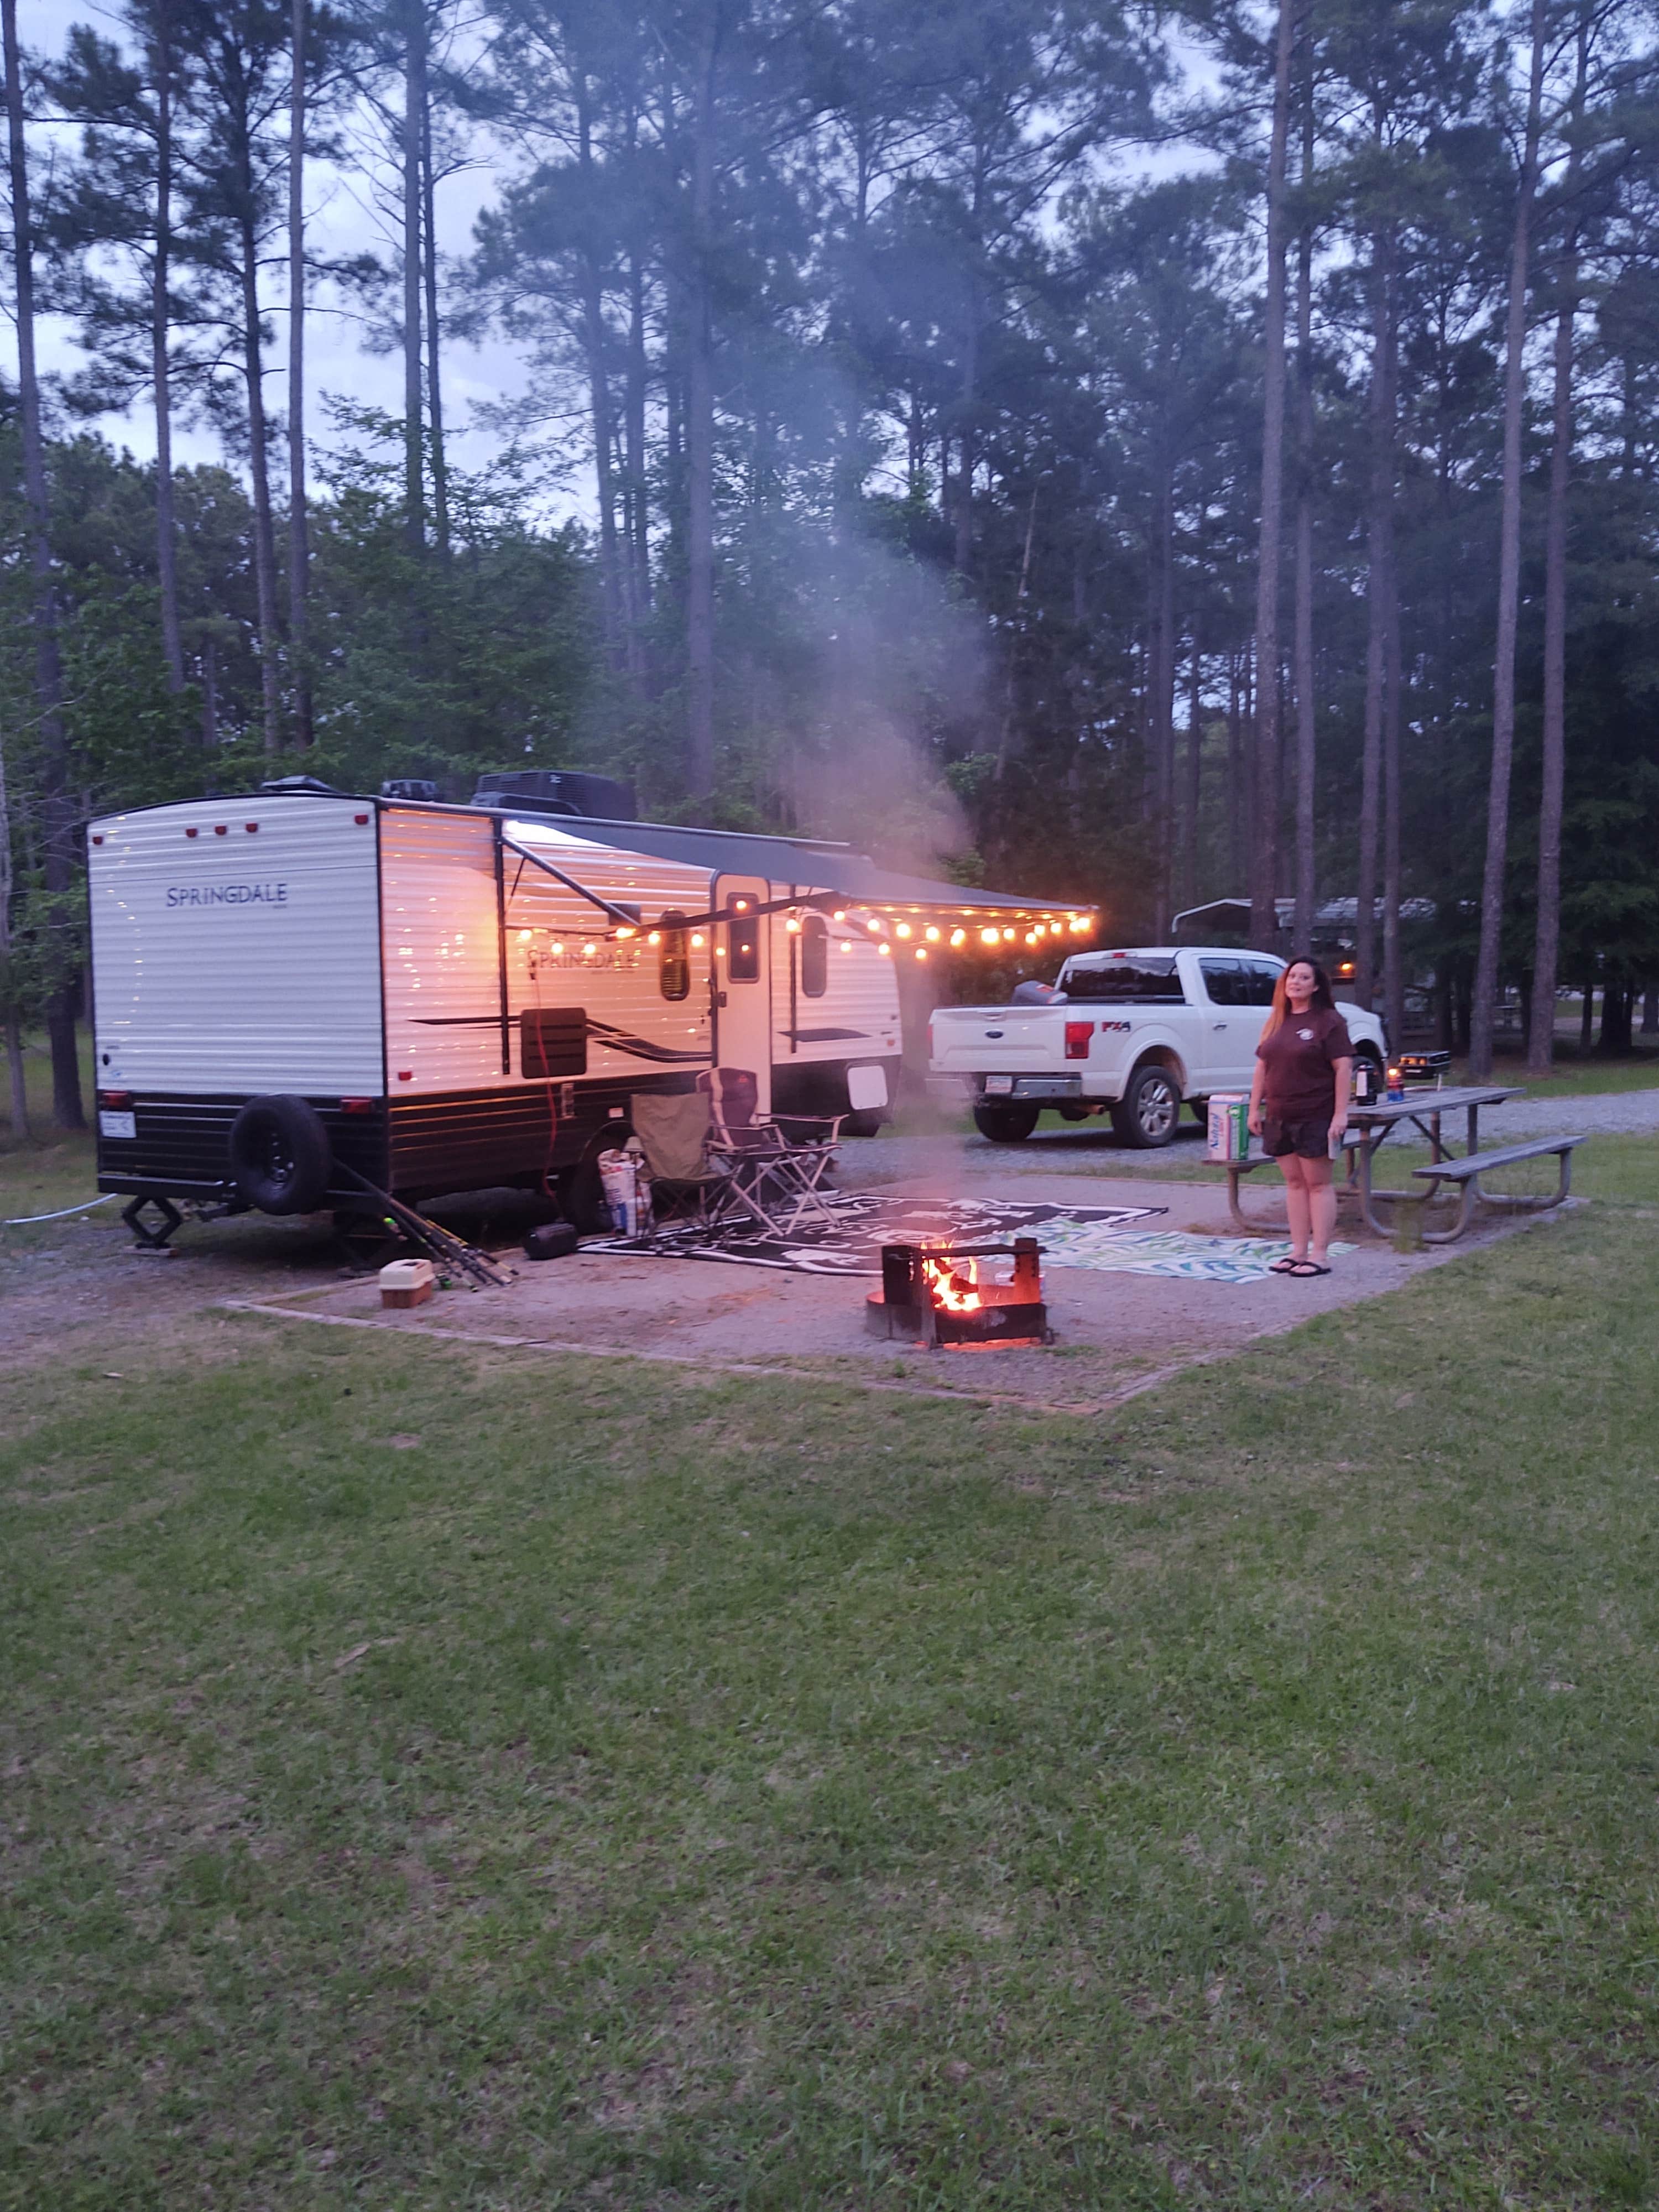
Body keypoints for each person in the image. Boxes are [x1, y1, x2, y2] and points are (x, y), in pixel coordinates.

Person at [1248, 957, 1353, 1277]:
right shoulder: (1277, 1021)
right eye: (1292, 977)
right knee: (1295, 1184)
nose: (1296, 982)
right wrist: (1255, 1108)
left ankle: (1319, 1255)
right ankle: (1298, 1251)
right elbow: (1262, 1066)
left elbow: (1343, 1067)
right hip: (1280, 1115)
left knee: (1318, 1185)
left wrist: (1340, 1114)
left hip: (1316, 1115)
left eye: (1304, 978)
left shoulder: (1329, 1021)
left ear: (1316, 985)